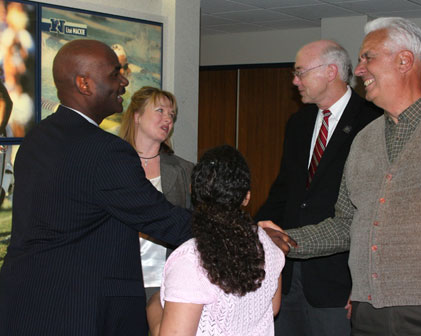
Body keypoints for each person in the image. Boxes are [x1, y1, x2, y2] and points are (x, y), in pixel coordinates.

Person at [262, 17, 421, 335]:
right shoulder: (364, 140)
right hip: (369, 315)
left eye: (368, 57)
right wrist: (286, 241)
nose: (359, 70)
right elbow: (346, 225)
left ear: (404, 61)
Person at [0, 39, 192, 335]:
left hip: (25, 305)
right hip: (80, 312)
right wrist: (245, 233)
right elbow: (164, 219)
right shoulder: (105, 152)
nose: (125, 80)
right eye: (115, 73)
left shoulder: (35, 141)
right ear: (84, 84)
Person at [255, 40, 381, 335]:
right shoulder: (298, 123)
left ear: (330, 72)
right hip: (288, 276)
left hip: (339, 281)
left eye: (300, 72)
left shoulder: (372, 122)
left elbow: (375, 214)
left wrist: (364, 283)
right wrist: (255, 234)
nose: (294, 81)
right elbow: (283, 191)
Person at [147, 145, 285, 336]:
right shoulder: (268, 246)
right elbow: (273, 308)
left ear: (192, 191)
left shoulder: (191, 259)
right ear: (246, 197)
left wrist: (154, 306)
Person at [120, 86, 193, 301]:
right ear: (137, 116)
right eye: (160, 110)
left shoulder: (185, 170)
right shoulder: (113, 166)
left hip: (168, 282)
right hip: (121, 279)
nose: (168, 119)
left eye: (171, 114)